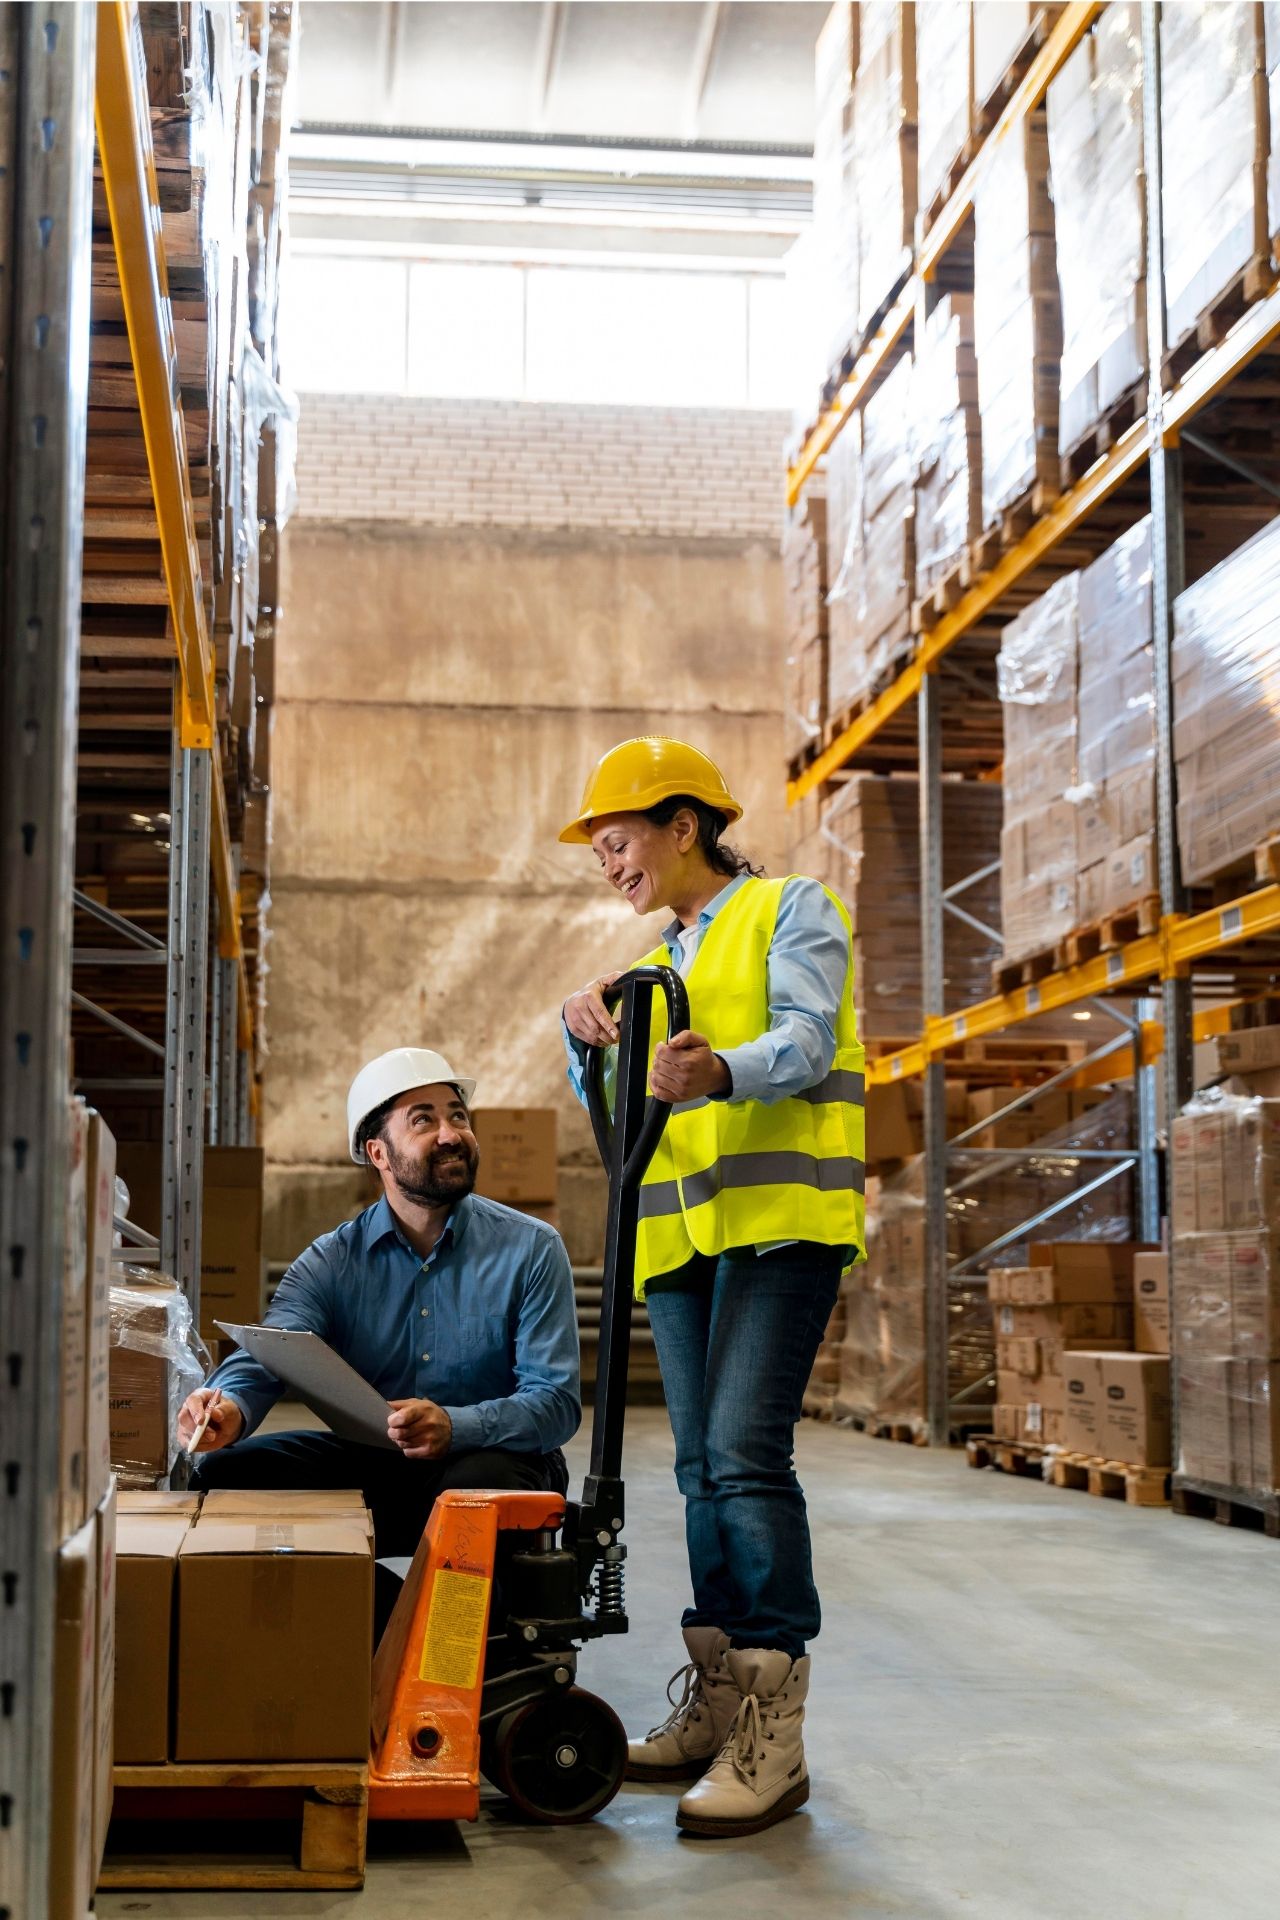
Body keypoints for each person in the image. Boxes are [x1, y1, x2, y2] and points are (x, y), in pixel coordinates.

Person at [559, 737, 865, 1839]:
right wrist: (578, 1029)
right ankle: (718, 1703)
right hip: (681, 1241)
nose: (606, 861)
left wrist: (719, 1069)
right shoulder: (655, 954)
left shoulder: (791, 908)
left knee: (743, 1454)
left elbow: (806, 1038)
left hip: (778, 1230)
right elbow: (622, 1103)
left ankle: (772, 1731)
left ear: (681, 827)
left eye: (618, 838)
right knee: (695, 1467)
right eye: (596, 847)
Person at [181, 1047, 581, 1572]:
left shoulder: (531, 1248)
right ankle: (371, 1628)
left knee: (473, 1495)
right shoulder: (331, 1261)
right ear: (379, 1153)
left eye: (458, 1116)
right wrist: (228, 1406)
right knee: (223, 1476)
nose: (450, 1133)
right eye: (424, 1120)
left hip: (495, 1460)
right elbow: (272, 1349)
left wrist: (455, 1426)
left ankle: (458, 1647)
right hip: (378, 1460)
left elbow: (555, 1403)